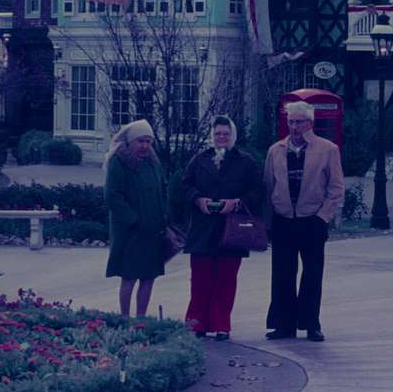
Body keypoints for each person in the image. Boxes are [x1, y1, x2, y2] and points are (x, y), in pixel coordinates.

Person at [263, 101, 345, 342]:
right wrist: (268, 222)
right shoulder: (275, 150)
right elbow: (268, 186)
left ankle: (311, 323)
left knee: (312, 274)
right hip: (283, 220)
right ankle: (283, 325)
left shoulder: (328, 149)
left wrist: (323, 217)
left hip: (312, 220)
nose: (294, 126)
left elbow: (336, 187)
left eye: (299, 122)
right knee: (282, 273)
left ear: (310, 123)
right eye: (291, 121)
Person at [180, 115, 263, 341]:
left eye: (226, 134)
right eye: (218, 134)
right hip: (203, 229)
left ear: (232, 136)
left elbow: (257, 192)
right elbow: (184, 186)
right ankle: (197, 324)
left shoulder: (245, 162)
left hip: (232, 229)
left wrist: (236, 203)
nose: (222, 137)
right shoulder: (199, 159)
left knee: (226, 279)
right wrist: (198, 200)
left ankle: (221, 325)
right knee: (200, 279)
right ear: (212, 135)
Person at [104, 119, 167, 318]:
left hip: (153, 231)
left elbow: (163, 189)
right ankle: (124, 318)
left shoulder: (153, 162)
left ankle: (140, 320)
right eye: (141, 141)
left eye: (148, 141)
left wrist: (164, 215)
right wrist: (133, 220)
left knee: (149, 277)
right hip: (130, 232)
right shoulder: (118, 162)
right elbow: (112, 196)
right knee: (129, 276)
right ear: (130, 142)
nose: (145, 146)